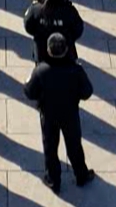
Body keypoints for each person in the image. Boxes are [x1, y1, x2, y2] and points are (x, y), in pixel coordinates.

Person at [24, 33, 96, 191]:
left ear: (48, 50)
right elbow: (87, 92)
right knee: (74, 145)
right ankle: (81, 175)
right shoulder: (76, 70)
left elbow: (29, 92)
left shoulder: (40, 71)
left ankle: (53, 180)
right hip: (70, 114)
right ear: (66, 50)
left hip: (48, 114)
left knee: (50, 147)